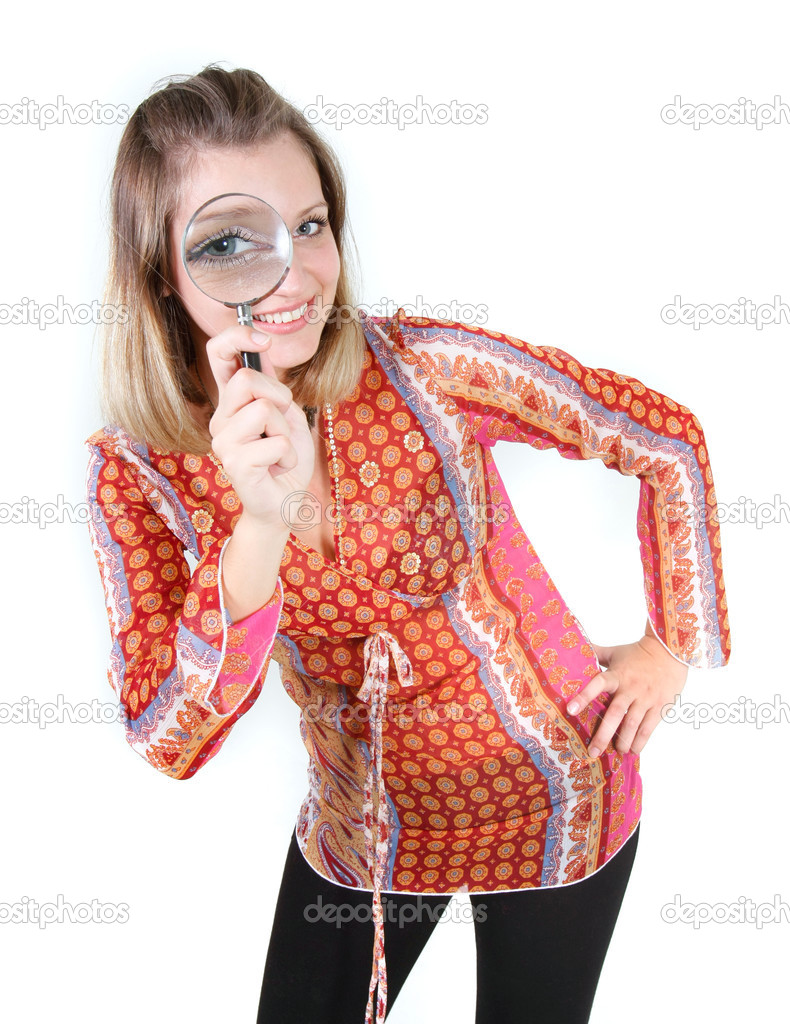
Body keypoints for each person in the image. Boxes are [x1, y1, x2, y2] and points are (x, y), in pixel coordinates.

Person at [85, 66, 731, 1024]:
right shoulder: (137, 471)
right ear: (157, 271)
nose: (293, 272)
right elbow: (169, 742)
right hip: (367, 831)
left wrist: (675, 644)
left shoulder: (425, 366)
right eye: (229, 242)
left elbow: (665, 439)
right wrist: (258, 522)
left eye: (310, 226)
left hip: (557, 797)